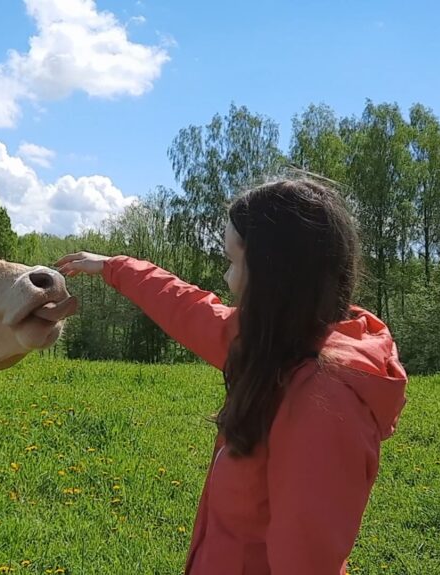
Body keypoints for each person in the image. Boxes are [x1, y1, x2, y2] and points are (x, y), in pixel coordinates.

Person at [56, 178, 408, 575]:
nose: (227, 279)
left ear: (274, 274)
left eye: (234, 262)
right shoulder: (276, 343)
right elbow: (188, 309)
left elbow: (306, 562)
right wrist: (114, 267)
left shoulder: (324, 401)